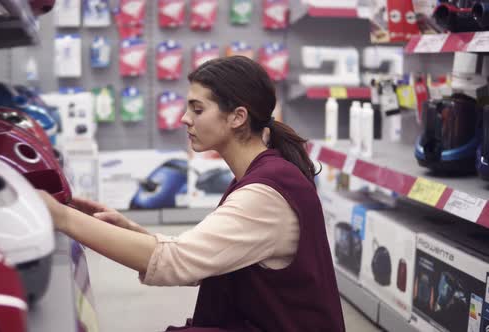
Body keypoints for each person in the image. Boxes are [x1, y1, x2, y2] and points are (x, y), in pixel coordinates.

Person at [39, 56, 346, 332]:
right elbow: (204, 257)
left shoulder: (265, 193)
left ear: (237, 117)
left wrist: (61, 217)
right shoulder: (262, 174)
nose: (185, 118)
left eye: (198, 109)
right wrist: (129, 231)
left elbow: (178, 262)